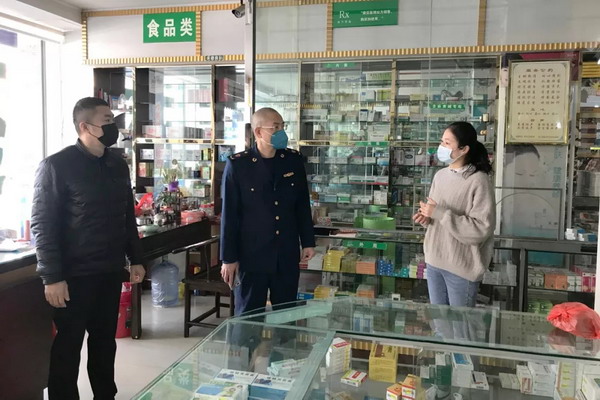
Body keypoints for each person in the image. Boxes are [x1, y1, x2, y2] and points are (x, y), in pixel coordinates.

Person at [31, 97, 145, 400]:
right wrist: (52, 277)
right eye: (107, 121)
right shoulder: (57, 166)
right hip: (73, 276)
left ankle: (105, 395)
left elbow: (127, 216)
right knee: (68, 345)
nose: (114, 126)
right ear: (85, 126)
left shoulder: (116, 164)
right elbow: (43, 225)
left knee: (105, 342)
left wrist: (136, 258)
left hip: (109, 270)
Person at [220, 107, 315, 315]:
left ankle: (283, 339)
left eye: (283, 126)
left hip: (286, 253)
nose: (281, 132)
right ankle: (247, 339)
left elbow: (301, 204)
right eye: (276, 127)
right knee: (248, 317)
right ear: (258, 132)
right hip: (251, 255)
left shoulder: (293, 160)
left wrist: (308, 241)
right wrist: (228, 258)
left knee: (285, 313)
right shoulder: (238, 165)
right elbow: (230, 215)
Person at [412, 121, 495, 307]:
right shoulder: (440, 176)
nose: (441, 146)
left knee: (459, 325)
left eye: (447, 143)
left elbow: (481, 229)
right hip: (434, 261)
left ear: (464, 149)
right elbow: (437, 217)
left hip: (461, 267)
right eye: (442, 141)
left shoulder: (478, 180)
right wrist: (426, 218)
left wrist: (440, 213)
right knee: (439, 322)